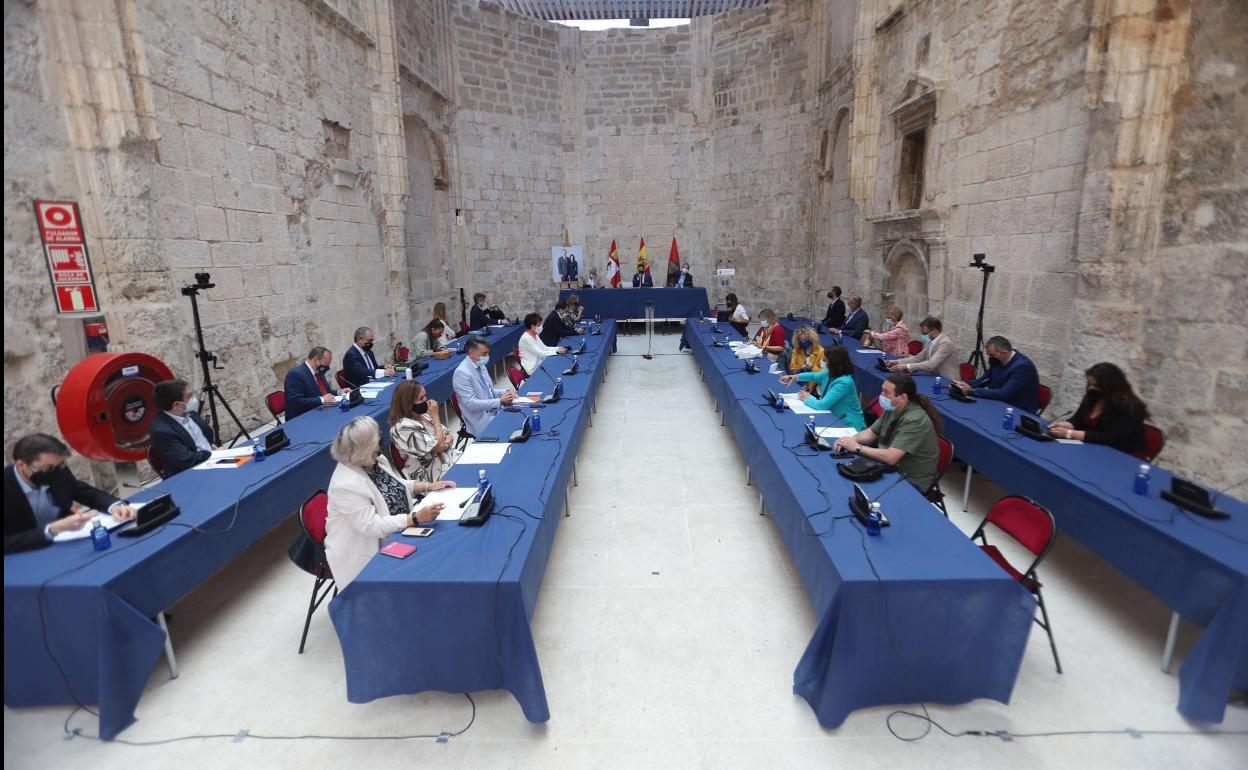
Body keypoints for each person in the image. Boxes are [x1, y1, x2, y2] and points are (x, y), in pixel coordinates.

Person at [325, 417, 453, 588]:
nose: (380, 442)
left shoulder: (375, 460)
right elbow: (372, 526)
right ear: (364, 448)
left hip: (397, 531)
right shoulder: (345, 484)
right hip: (366, 552)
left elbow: (396, 485)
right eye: (376, 440)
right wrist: (414, 518)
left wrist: (429, 486)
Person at [4, 433, 137, 554]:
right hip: (25, 556)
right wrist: (51, 529)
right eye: (49, 468)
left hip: (70, 545)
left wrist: (114, 506)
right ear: (22, 465)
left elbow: (80, 490)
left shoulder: (58, 470)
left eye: (60, 465)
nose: (55, 471)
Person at [833, 373, 942, 492]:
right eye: (882, 391)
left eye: (886, 392)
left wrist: (857, 447)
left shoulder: (915, 419)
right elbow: (871, 433)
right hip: (889, 467)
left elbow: (891, 457)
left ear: (903, 398)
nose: (881, 395)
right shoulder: (893, 408)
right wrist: (850, 440)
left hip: (910, 479)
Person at [1047, 363, 1149, 452]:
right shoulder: (1093, 395)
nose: (1092, 388)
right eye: (1090, 385)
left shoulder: (1131, 408)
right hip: (1091, 447)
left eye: (1096, 385)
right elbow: (1077, 420)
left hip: (1120, 454)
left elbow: (1108, 437)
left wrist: (1070, 433)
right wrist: (1065, 425)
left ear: (1110, 386)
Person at [780, 346, 866, 430]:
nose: (822, 362)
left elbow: (822, 405)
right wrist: (794, 377)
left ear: (834, 363)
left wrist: (807, 398)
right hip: (834, 418)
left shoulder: (844, 383)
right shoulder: (830, 373)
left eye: (825, 360)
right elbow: (814, 376)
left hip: (850, 426)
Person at [388, 381, 456, 482]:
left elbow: (449, 436)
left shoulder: (423, 415)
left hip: (450, 459)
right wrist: (436, 417)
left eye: (425, 396)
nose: (426, 401)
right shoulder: (401, 428)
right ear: (408, 404)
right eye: (421, 398)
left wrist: (443, 445)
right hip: (433, 477)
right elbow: (439, 445)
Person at [148, 379, 219, 476]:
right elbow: (185, 461)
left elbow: (205, 436)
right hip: (190, 474)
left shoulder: (190, 413)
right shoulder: (161, 431)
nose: (194, 399)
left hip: (211, 462)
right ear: (177, 405)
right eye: (189, 396)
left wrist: (210, 445)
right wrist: (213, 454)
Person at [954, 335, 1040, 414]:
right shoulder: (997, 360)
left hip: (1018, 410)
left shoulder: (1023, 367)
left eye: (992, 355)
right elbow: (983, 380)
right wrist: (963, 384)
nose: (990, 358)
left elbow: (1004, 393)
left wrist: (971, 391)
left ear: (1004, 352)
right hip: (998, 404)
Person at [451, 337, 516, 437]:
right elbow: (471, 404)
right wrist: (500, 401)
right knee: (512, 426)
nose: (487, 356)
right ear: (471, 353)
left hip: (493, 410)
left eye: (488, 353)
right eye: (484, 354)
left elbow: (488, 391)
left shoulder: (480, 365)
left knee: (519, 415)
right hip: (481, 419)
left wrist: (505, 392)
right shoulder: (462, 373)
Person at [887, 316, 961, 381]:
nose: (923, 335)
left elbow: (931, 364)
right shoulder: (930, 341)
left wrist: (907, 366)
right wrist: (897, 362)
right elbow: (918, 358)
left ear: (935, 331)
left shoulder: (945, 343)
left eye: (925, 333)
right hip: (936, 377)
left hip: (949, 380)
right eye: (922, 333)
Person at [284, 346, 349, 421]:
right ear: (316, 361)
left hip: (322, 410)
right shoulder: (295, 375)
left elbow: (326, 393)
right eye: (325, 364)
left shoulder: (318, 371)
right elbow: (295, 402)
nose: (327, 367)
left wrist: (339, 392)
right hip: (303, 417)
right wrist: (321, 399)